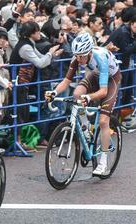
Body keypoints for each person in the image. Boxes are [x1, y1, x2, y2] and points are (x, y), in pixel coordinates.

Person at [45, 33, 121, 176]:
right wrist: (54, 93)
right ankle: (86, 128)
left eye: (82, 56)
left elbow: (103, 91)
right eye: (77, 56)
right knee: (76, 93)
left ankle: (103, 163)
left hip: (111, 80)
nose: (79, 59)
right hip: (96, 75)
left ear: (89, 52)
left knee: (104, 121)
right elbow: (66, 82)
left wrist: (89, 97)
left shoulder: (100, 58)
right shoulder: (77, 58)